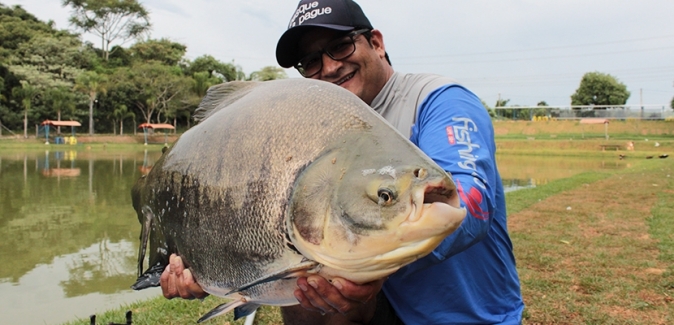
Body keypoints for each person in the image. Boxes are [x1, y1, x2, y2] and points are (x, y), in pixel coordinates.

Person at [161, 0, 525, 323]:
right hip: (386, 309)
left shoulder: (439, 100)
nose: (330, 67)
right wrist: (212, 272)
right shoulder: (317, 126)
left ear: (377, 43)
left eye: (340, 46)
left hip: (469, 314)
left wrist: (368, 266)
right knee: (308, 282)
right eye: (311, 61)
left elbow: (470, 202)